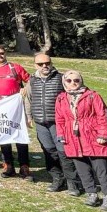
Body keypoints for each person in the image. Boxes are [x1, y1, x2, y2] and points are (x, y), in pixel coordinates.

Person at [54, 70, 107, 211]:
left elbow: (102, 115)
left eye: (76, 80)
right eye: (69, 81)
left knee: (101, 168)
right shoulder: (61, 98)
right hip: (72, 137)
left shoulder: (93, 96)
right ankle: (91, 193)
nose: (73, 83)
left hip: (92, 135)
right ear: (64, 82)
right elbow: (60, 119)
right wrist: (61, 134)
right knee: (82, 168)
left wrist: (103, 134)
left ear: (81, 81)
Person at [27, 53, 81, 195]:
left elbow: (76, 93)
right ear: (35, 65)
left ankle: (73, 183)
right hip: (40, 122)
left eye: (47, 63)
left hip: (59, 122)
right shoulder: (32, 80)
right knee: (49, 151)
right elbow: (28, 98)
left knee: (64, 152)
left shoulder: (61, 78)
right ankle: (57, 178)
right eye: (40, 64)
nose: (45, 66)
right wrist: (28, 116)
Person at [0, 45, 32, 180]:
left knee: (19, 135)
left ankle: (24, 166)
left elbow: (31, 81)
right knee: (4, 137)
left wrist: (25, 89)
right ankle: (8, 165)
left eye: (1, 53)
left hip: (15, 106)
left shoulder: (15, 67)